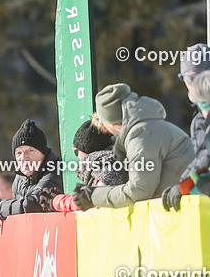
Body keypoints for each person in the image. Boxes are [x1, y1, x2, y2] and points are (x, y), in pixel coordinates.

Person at [74, 83, 193, 210]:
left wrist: (94, 196)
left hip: (188, 209)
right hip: (184, 204)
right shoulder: (145, 128)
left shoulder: (141, 137)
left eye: (102, 122)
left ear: (112, 124)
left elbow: (139, 190)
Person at [0, 120, 62, 230]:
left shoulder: (56, 170)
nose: (24, 157)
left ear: (43, 153)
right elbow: (14, 206)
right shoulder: (21, 177)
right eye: (18, 153)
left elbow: (32, 204)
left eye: (30, 150)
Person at [42, 120, 127, 213]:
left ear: (88, 152)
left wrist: (57, 202)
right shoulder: (117, 162)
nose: (77, 157)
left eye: (76, 152)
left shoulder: (107, 170)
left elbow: (91, 201)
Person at [164, 45, 210, 210]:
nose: (189, 84)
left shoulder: (203, 119)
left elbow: (206, 157)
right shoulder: (200, 117)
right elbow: (200, 159)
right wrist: (181, 184)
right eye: (186, 78)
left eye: (192, 78)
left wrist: (183, 186)